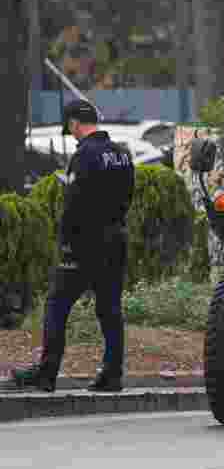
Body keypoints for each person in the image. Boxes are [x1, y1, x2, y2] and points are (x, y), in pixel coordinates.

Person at [1, 99, 135, 393]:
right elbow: (127, 198)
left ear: (75, 123)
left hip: (85, 243)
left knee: (57, 306)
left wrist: (66, 242)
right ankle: (113, 374)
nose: (72, 133)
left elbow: (74, 205)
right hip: (115, 240)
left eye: (71, 127)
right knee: (110, 309)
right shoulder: (122, 154)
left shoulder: (85, 155)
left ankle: (47, 374)